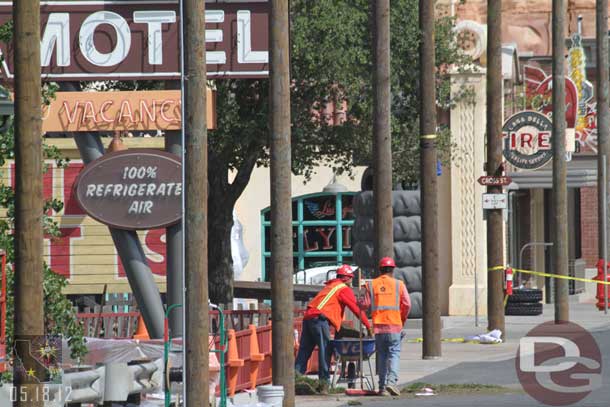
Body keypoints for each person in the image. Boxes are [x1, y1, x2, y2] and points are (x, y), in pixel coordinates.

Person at [295, 264, 372, 394]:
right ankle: (324, 384)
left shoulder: (330, 286)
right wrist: (368, 326)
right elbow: (356, 309)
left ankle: (294, 380)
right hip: (319, 319)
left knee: (304, 351)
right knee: (326, 349)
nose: (350, 282)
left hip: (309, 317)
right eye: (350, 279)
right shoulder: (343, 289)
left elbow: (331, 307)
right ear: (347, 278)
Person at [361, 257, 411, 396]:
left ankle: (382, 387)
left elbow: (364, 304)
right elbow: (407, 304)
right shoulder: (399, 284)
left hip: (378, 326)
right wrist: (402, 319)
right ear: (393, 269)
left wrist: (359, 303)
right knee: (394, 354)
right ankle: (392, 383)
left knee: (381, 356)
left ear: (380, 269)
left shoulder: (371, 284)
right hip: (394, 325)